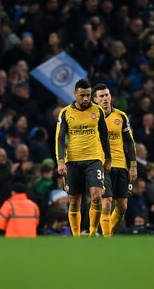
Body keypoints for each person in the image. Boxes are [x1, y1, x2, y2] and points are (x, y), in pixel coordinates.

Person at [55, 79, 111, 236]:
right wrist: (60, 161)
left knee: (97, 195)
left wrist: (108, 159)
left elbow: (105, 136)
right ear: (75, 94)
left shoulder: (97, 110)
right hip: (73, 160)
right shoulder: (65, 112)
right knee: (74, 200)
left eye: (88, 95)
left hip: (94, 159)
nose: (86, 99)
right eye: (82, 96)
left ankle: (93, 231)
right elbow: (59, 138)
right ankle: (76, 235)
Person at [92, 83, 137, 236]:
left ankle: (107, 232)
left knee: (122, 206)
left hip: (121, 165)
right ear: (95, 100)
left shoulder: (121, 116)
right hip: (102, 165)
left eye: (106, 95)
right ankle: (106, 239)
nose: (105, 98)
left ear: (111, 97)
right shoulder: (92, 118)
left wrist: (133, 166)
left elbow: (130, 142)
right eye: (101, 96)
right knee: (107, 200)